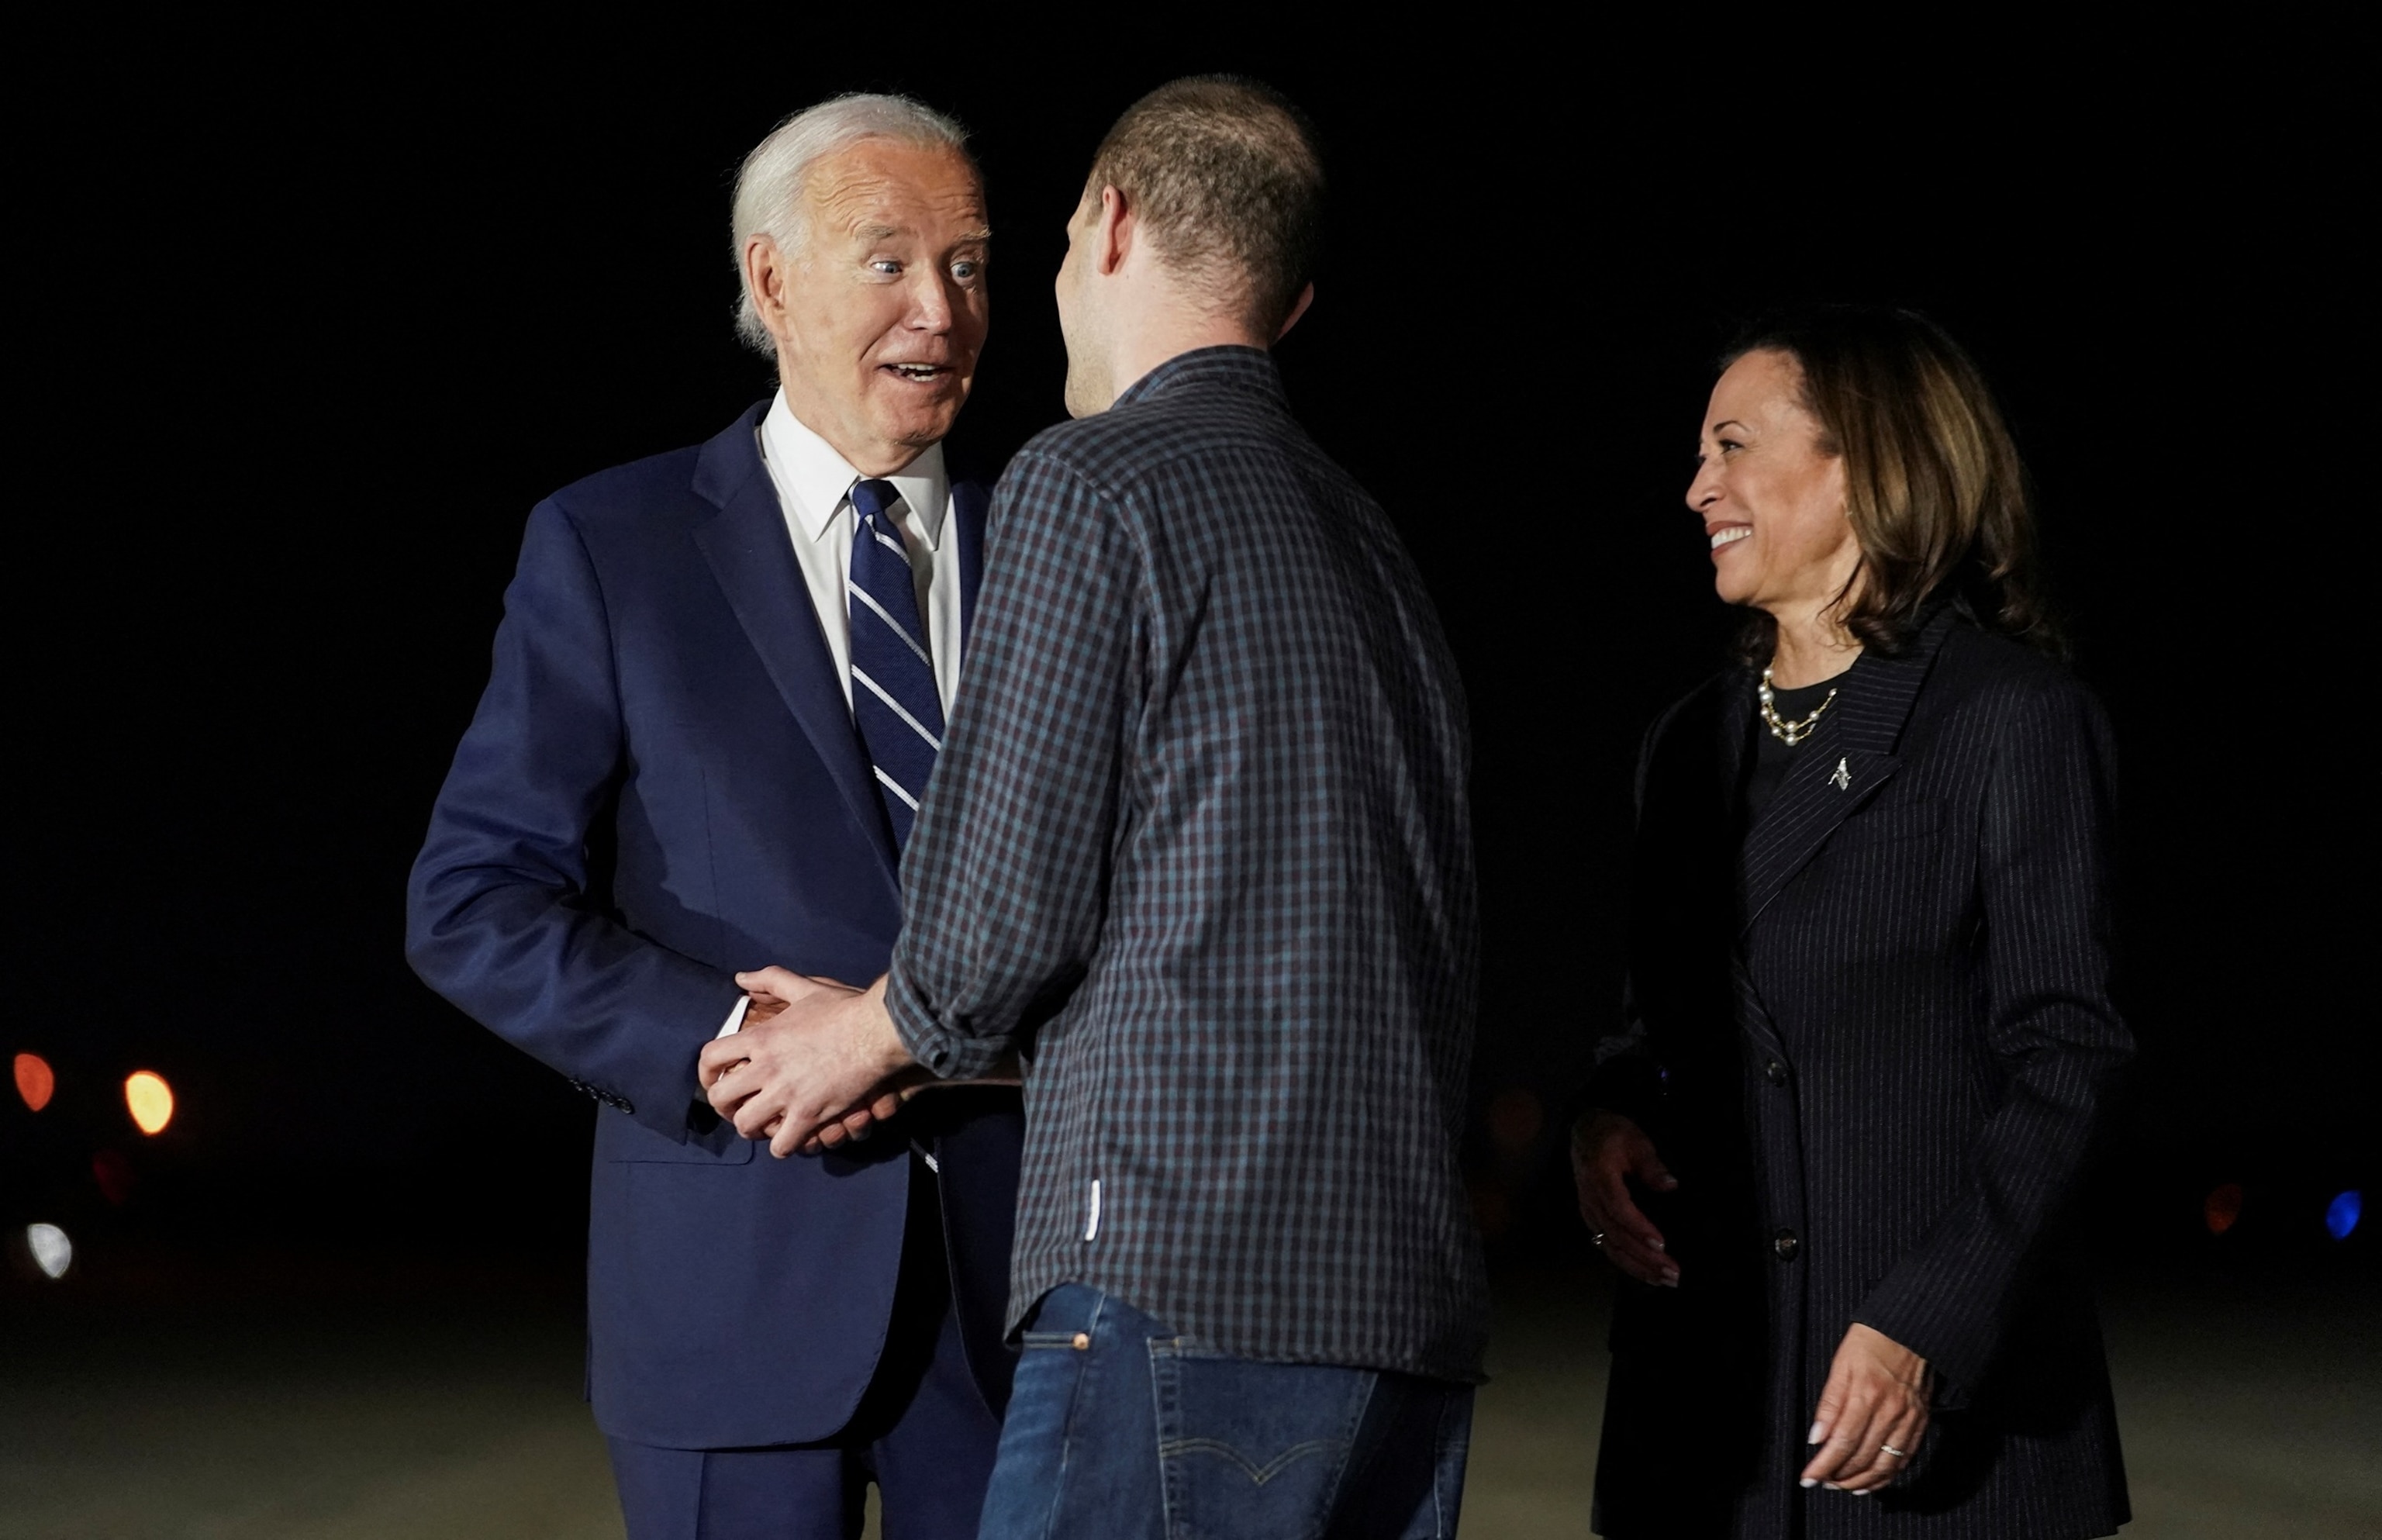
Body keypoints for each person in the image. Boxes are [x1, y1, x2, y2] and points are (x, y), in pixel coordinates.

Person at [700, 76, 1486, 1540]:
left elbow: (1001, 911)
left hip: (1185, 1288)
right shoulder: (1370, 537)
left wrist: (859, 1035)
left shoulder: (1093, 483)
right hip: (1407, 1316)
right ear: (1293, 302)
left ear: (1109, 224)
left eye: (1035, 251)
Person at [403, 94, 1020, 1540]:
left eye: (975, 263)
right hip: (728, 1283)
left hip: (1024, 1307)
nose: (942, 305)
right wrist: (731, 1044)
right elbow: (473, 898)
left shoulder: (1062, 536)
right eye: (890, 259)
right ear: (771, 280)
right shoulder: (611, 545)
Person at [1569, 307, 2133, 1538]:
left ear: (1866, 463)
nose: (1695, 487)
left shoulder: (2008, 721)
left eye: (1731, 445)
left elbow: (2068, 1055)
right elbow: (1648, 1023)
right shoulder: (1683, 746)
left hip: (1935, 1444)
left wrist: (1926, 1319)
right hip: (1707, 1436)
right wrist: (1608, 1121)